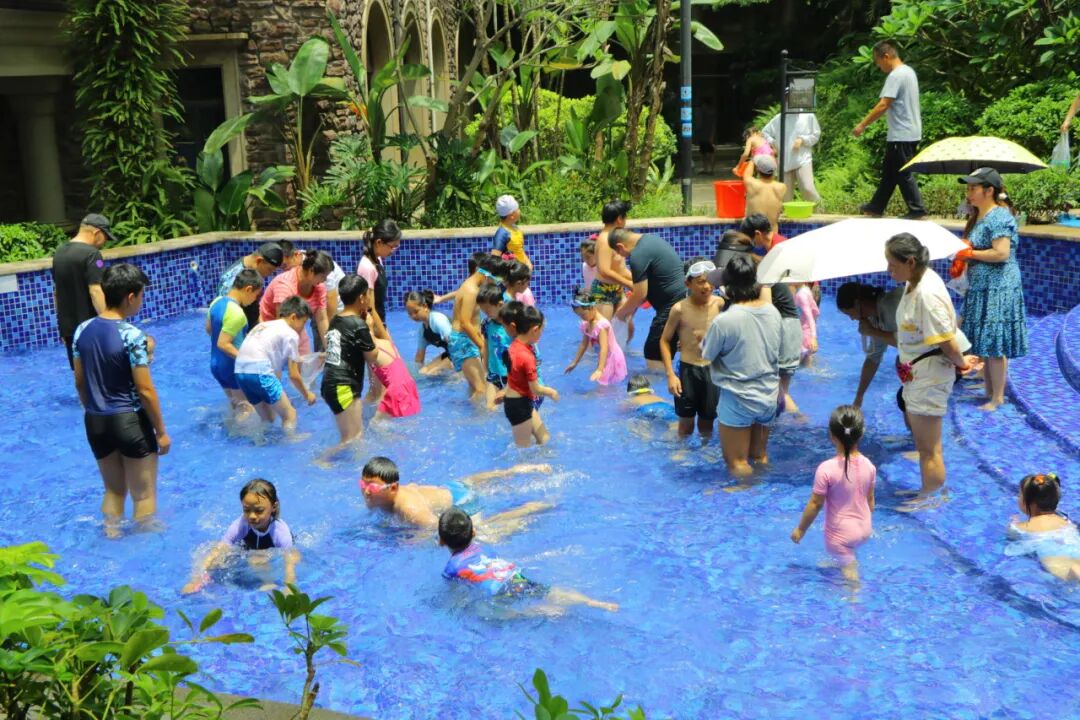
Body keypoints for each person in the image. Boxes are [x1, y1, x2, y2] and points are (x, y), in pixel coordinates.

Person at [72, 263, 169, 536]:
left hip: (95, 421)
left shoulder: (82, 330)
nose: (141, 300)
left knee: (114, 491)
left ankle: (111, 536)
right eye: (141, 295)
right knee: (143, 496)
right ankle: (143, 551)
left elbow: (80, 382)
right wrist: (161, 432)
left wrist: (93, 409)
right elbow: (145, 390)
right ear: (130, 297)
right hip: (129, 422)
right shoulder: (132, 336)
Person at [885, 232, 972, 502]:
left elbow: (946, 340)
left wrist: (962, 363)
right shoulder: (915, 281)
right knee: (924, 446)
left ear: (910, 262)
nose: (888, 270)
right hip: (919, 372)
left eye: (893, 264)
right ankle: (929, 492)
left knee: (929, 449)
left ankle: (931, 500)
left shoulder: (927, 294)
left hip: (930, 375)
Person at [439, 507, 618, 613]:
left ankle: (539, 612)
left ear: (441, 541)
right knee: (546, 591)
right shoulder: (484, 547)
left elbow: (457, 594)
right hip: (514, 577)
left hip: (498, 591)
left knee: (490, 613)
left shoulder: (451, 568)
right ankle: (591, 602)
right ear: (474, 533)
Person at [954, 168, 1029, 412]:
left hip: (999, 287)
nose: (968, 193)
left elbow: (1001, 253)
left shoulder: (999, 216)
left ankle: (998, 397)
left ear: (989, 190)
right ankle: (989, 390)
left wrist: (969, 253)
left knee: (995, 343)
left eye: (973, 188)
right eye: (968, 188)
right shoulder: (980, 216)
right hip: (983, 286)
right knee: (985, 340)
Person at [700, 256, 782, 478]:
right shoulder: (773, 312)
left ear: (728, 289)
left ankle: (745, 496)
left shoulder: (725, 321)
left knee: (737, 462)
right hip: (767, 396)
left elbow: (707, 354)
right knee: (759, 456)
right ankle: (766, 492)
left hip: (738, 398)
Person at [709, 225, 801, 414]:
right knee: (773, 391)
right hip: (784, 326)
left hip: (783, 328)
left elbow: (764, 313)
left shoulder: (761, 274)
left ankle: (801, 422)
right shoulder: (750, 270)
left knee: (779, 392)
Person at [359, 456, 552, 536]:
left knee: (485, 534)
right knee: (475, 480)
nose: (366, 491)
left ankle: (530, 509)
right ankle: (517, 470)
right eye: (363, 484)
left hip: (463, 500)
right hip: (451, 487)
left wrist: (414, 539)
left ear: (393, 488)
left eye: (373, 487)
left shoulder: (411, 510)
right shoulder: (383, 497)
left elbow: (440, 531)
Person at [790, 405, 876, 585]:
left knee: (850, 574)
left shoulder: (826, 469)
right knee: (846, 556)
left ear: (831, 435)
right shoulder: (869, 465)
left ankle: (855, 594)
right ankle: (846, 560)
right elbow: (870, 501)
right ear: (861, 434)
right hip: (865, 529)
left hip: (840, 536)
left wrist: (800, 530)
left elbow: (815, 504)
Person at [181, 479, 299, 594]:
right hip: (249, 548)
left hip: (272, 552)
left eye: (259, 510)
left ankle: (268, 582)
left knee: (257, 558)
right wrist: (196, 579)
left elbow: (290, 561)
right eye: (246, 510)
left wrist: (290, 586)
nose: (252, 516)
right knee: (219, 556)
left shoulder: (280, 531)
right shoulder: (241, 524)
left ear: (273, 507)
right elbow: (219, 549)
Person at [853, 40, 927, 219]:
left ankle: (917, 209)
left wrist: (862, 125)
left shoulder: (896, 75)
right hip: (909, 131)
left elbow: (884, 104)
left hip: (902, 133)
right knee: (890, 172)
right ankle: (876, 207)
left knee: (903, 172)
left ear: (886, 56)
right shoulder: (909, 72)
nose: (879, 66)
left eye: (878, 61)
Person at [659, 258, 723, 439]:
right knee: (685, 424)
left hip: (711, 371)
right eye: (701, 282)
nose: (707, 286)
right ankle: (682, 451)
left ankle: (704, 451)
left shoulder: (719, 304)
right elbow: (664, 341)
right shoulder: (679, 309)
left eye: (710, 281)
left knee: (707, 424)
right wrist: (671, 375)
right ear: (688, 283)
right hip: (687, 371)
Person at [235, 296, 317, 432]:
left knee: (268, 419)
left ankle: (260, 441)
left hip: (240, 372)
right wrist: (307, 394)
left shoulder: (263, 325)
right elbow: (294, 375)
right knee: (290, 414)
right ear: (293, 317)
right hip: (259, 371)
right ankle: (292, 441)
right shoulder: (291, 334)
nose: (303, 329)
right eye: (303, 323)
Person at [610, 228, 686, 371]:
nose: (621, 256)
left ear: (620, 246)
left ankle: (661, 383)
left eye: (619, 253)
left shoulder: (638, 255)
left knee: (653, 354)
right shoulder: (651, 240)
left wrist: (621, 313)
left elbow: (640, 294)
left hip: (672, 306)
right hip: (684, 300)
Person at [321, 275, 377, 444]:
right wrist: (370, 328)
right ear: (361, 298)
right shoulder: (358, 325)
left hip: (331, 383)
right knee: (353, 438)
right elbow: (372, 357)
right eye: (368, 294)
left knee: (353, 437)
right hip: (343, 386)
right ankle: (322, 458)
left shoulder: (336, 320)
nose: (369, 299)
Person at [52, 213, 110, 369]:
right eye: (105, 237)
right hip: (90, 328)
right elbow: (95, 291)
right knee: (99, 372)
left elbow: (57, 293)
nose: (105, 242)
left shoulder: (59, 253)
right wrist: (111, 323)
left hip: (69, 330)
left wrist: (62, 327)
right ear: (97, 233)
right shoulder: (92, 254)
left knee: (80, 375)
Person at [835, 282, 904, 408]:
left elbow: (909, 343)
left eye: (849, 313)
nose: (851, 318)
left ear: (857, 304)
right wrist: (859, 397)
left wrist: (872, 332)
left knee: (905, 399)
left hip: (936, 353)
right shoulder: (874, 317)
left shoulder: (893, 305)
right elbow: (873, 358)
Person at [206, 268, 262, 418]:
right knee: (246, 408)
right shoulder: (237, 313)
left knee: (235, 405)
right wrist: (247, 359)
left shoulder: (216, 302)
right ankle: (242, 433)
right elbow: (223, 344)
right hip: (232, 366)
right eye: (256, 295)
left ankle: (231, 429)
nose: (254, 300)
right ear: (248, 289)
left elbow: (209, 329)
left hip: (216, 365)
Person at [502, 303, 559, 447]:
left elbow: (513, 375)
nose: (541, 334)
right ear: (535, 329)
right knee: (524, 450)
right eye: (541, 331)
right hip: (519, 405)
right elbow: (535, 389)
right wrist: (551, 392)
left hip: (517, 402)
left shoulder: (513, 346)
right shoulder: (527, 356)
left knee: (544, 439)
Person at [1006, 473, 1080, 583]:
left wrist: (1012, 525)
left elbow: (1010, 549)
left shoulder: (1023, 527)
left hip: (1066, 575)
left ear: (1028, 503)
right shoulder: (1064, 521)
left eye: (1019, 495)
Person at [260, 249, 333, 354]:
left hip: (297, 326)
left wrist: (331, 351)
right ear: (311, 271)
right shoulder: (284, 285)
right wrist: (293, 359)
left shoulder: (319, 287)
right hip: (270, 329)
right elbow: (282, 325)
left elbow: (322, 319)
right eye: (323, 276)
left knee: (306, 360)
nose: (325, 280)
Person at [449, 252, 496, 401]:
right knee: (481, 388)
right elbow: (465, 322)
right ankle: (480, 415)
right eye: (493, 279)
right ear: (485, 274)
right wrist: (482, 345)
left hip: (465, 340)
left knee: (474, 386)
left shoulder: (470, 286)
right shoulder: (472, 290)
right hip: (463, 341)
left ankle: (471, 412)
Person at [215, 241, 284, 328]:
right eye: (269, 269)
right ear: (259, 261)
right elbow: (224, 321)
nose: (269, 274)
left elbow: (254, 310)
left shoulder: (253, 271)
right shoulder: (230, 283)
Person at [564, 292, 627, 386]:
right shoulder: (587, 323)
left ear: (592, 307)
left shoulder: (602, 325)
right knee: (604, 384)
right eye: (579, 315)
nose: (582, 318)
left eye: (583, 314)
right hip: (604, 357)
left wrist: (600, 369)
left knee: (607, 385)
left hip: (613, 358)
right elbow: (584, 344)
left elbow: (604, 348)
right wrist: (575, 362)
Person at [593, 201, 636, 337]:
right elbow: (604, 271)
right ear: (619, 219)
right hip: (603, 292)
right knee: (605, 334)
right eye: (625, 216)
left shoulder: (614, 238)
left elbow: (620, 268)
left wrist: (637, 280)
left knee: (628, 329)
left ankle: (622, 351)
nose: (626, 220)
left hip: (617, 289)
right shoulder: (605, 240)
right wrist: (628, 283)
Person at [762, 111, 822, 202]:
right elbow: (764, 133)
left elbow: (816, 134)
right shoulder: (780, 117)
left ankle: (819, 209)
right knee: (785, 196)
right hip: (784, 161)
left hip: (802, 160)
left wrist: (803, 139)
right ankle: (787, 211)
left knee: (808, 188)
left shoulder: (808, 115)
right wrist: (774, 143)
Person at [356, 219, 400, 338]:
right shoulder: (367, 268)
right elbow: (369, 309)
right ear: (379, 242)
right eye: (392, 247)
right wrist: (385, 337)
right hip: (370, 327)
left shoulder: (377, 259)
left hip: (378, 323)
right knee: (392, 351)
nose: (393, 251)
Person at [367, 336, 421, 420]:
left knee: (374, 424)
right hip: (409, 385)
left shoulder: (370, 352)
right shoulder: (387, 342)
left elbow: (375, 390)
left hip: (396, 391)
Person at [477, 284, 513, 409]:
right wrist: (484, 370)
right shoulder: (487, 323)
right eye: (483, 311)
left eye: (487, 311)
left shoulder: (512, 324)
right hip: (494, 374)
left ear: (500, 304)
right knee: (489, 408)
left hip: (512, 375)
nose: (486, 314)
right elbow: (486, 347)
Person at [404, 290, 453, 375]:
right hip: (450, 353)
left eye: (416, 311)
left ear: (425, 306)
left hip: (464, 352)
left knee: (433, 373)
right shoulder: (422, 331)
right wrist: (414, 375)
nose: (413, 316)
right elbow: (419, 359)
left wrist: (457, 375)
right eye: (410, 314)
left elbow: (456, 345)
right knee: (422, 372)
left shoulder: (438, 320)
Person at [739, 155, 786, 232]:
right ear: (774, 170)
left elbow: (747, 173)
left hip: (753, 233)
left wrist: (752, 160)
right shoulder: (781, 187)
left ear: (758, 170)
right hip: (771, 234)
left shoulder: (752, 184)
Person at [794, 282, 820, 366]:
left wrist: (813, 337)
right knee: (808, 366)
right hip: (807, 333)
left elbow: (810, 317)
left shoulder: (801, 295)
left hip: (804, 335)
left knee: (795, 366)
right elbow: (815, 312)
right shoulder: (806, 290)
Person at [697, 97, 718, 175]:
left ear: (706, 105)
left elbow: (713, 126)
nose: (702, 107)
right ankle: (705, 169)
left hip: (709, 136)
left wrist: (712, 137)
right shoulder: (702, 114)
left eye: (703, 105)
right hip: (703, 136)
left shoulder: (711, 114)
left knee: (710, 153)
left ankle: (711, 170)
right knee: (703, 153)